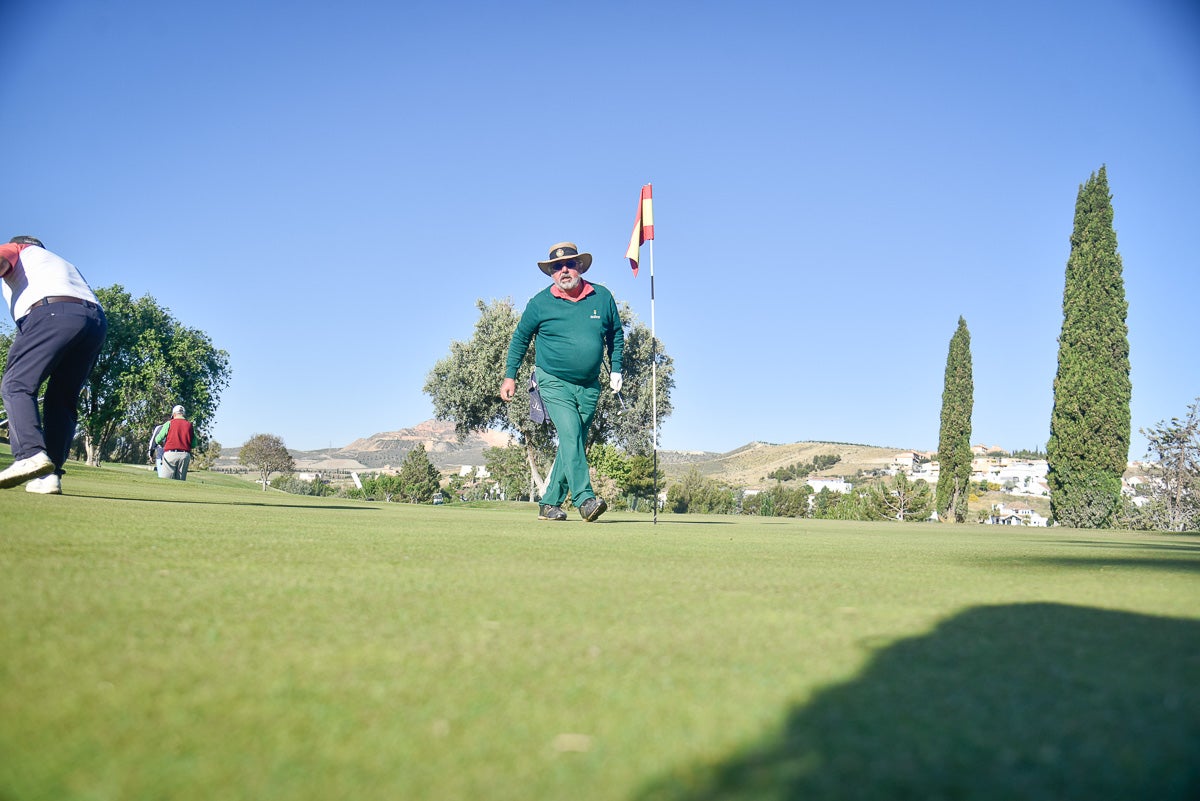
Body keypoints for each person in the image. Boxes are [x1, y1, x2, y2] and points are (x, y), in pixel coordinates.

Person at [500, 242, 624, 522]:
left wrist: (616, 369)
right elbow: (520, 338)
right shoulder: (540, 303)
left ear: (580, 266)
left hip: (590, 385)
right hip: (553, 380)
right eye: (557, 267)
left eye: (569, 264)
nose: (564, 270)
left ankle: (549, 503)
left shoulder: (601, 297)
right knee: (570, 433)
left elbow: (616, 334)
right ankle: (585, 499)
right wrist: (511, 376)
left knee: (574, 440)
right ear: (551, 273)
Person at [0, 236, 107, 495]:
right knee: (62, 399)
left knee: (16, 384)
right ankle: (48, 476)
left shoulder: (21, 249)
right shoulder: (59, 264)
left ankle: (30, 454)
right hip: (95, 322)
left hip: (52, 313)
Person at [155, 404, 195, 480]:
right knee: (180, 483)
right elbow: (194, 444)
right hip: (184, 455)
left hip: (170, 454)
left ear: (173, 414)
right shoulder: (189, 425)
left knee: (165, 481)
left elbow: (158, 439)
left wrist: (162, 444)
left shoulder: (169, 423)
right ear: (184, 414)